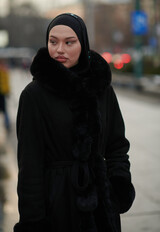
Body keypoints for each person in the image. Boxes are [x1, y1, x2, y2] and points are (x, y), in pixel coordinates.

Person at [14, 13, 135, 232]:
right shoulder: (33, 95)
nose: (59, 49)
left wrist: (118, 184)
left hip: (101, 208)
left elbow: (117, 145)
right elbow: (29, 166)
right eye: (53, 42)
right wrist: (33, 222)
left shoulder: (101, 88)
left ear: (83, 44)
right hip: (57, 207)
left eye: (69, 42)